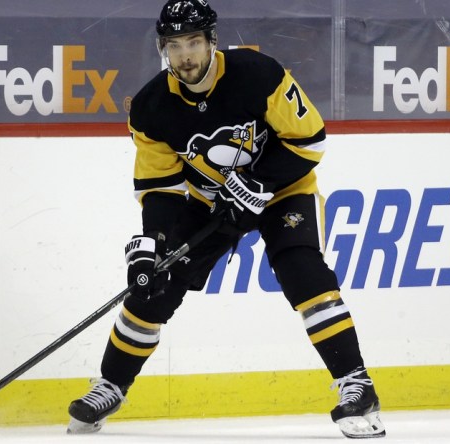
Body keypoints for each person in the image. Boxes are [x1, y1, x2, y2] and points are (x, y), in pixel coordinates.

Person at [67, 0, 385, 439]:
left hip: (282, 190)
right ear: (163, 49)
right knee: (155, 284)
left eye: (194, 42)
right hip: (208, 202)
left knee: (302, 269)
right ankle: (111, 385)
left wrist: (259, 184)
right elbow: (159, 188)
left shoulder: (258, 74)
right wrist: (153, 242)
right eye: (175, 45)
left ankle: (357, 385)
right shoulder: (150, 107)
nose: (186, 56)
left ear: (212, 42)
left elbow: (309, 141)